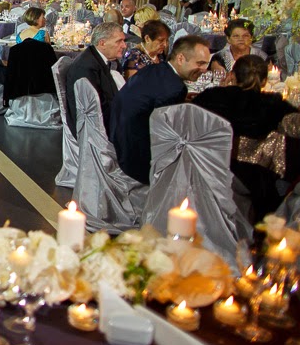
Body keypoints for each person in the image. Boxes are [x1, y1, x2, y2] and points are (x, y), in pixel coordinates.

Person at [193, 54, 298, 216]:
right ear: (264, 81)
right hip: (258, 182)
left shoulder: (211, 98)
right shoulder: (274, 105)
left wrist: (222, 89)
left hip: (209, 172)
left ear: (232, 75)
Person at [109, 35, 211, 184]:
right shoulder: (176, 88)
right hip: (138, 161)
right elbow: (168, 136)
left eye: (206, 64)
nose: (204, 69)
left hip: (117, 142)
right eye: (200, 63)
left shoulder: (153, 69)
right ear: (180, 58)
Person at [64, 21, 126, 137]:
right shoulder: (87, 67)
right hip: (91, 131)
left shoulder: (97, 59)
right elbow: (95, 109)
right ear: (102, 43)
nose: (124, 45)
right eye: (119, 41)